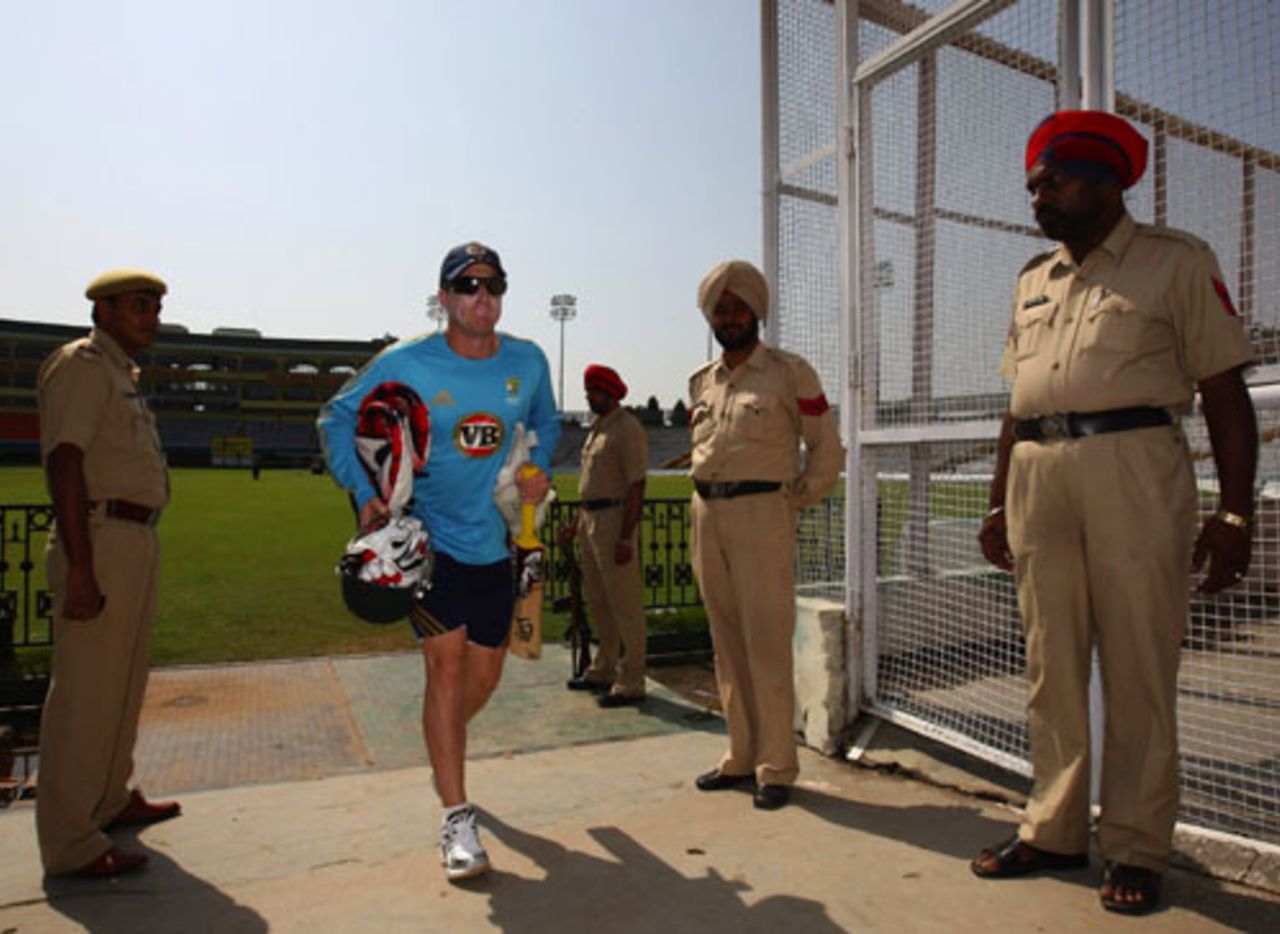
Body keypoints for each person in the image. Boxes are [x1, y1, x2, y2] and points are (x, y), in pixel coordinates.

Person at [970, 111, 1258, 916]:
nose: (1039, 198)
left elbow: (1224, 393)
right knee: (1049, 664)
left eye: (1052, 182)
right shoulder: (1033, 280)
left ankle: (1134, 846)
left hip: (1133, 471)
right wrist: (998, 501)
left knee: (1137, 668)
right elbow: (1015, 402)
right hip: (1037, 477)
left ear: (1104, 182)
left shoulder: (1175, 263)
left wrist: (1235, 516)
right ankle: (1054, 828)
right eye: (1034, 185)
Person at [317, 241, 559, 882]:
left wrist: (535, 469)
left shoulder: (529, 362)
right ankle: (457, 819)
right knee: (445, 673)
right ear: (445, 297)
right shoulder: (406, 361)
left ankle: (441, 745)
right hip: (426, 543)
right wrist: (368, 497)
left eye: (494, 284)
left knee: (482, 680)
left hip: (496, 543)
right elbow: (336, 419)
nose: (483, 296)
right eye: (468, 285)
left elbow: (545, 424)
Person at [36, 269, 182, 878]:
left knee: (123, 683)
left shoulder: (123, 374)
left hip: (132, 539)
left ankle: (110, 799)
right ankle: (70, 841)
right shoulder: (83, 366)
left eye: (154, 307)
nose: (150, 316)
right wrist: (80, 568)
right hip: (97, 538)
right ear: (103, 310)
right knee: (86, 694)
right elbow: (64, 461)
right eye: (138, 306)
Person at [687, 260, 843, 810]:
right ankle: (740, 756)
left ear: (758, 313)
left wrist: (795, 498)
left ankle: (776, 765)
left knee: (767, 643)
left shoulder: (788, 373)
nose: (730, 318)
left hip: (761, 515)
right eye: (721, 309)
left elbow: (827, 447)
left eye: (739, 308)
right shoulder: (702, 382)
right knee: (725, 640)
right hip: (708, 514)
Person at [562, 364, 649, 707]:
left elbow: (636, 485)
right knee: (599, 600)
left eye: (593, 392)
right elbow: (591, 486)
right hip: (591, 518)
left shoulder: (627, 430)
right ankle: (605, 668)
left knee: (625, 604)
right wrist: (576, 523)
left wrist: (627, 536)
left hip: (614, 520)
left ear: (609, 393)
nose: (588, 397)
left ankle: (632, 681)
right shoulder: (596, 430)